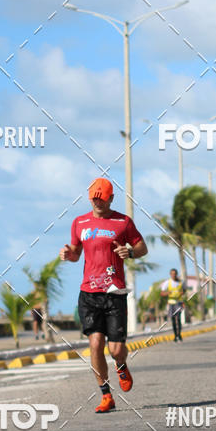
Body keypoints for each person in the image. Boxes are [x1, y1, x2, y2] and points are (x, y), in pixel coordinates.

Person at [59, 177, 147, 414]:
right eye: (94, 199)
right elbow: (77, 252)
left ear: (111, 198)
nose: (98, 203)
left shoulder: (123, 222)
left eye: (102, 199)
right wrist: (69, 254)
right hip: (88, 292)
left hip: (114, 292)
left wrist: (128, 251)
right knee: (95, 344)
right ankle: (106, 395)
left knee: (116, 349)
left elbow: (142, 247)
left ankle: (121, 365)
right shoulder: (79, 222)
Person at [160, 268, 186, 342]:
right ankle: (175, 335)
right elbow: (162, 293)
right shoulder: (168, 282)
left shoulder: (180, 282)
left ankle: (179, 334)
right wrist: (167, 293)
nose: (173, 275)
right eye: (172, 274)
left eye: (175, 274)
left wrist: (182, 293)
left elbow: (184, 290)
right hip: (171, 303)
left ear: (176, 274)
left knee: (178, 319)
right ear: (170, 274)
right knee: (173, 320)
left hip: (179, 302)